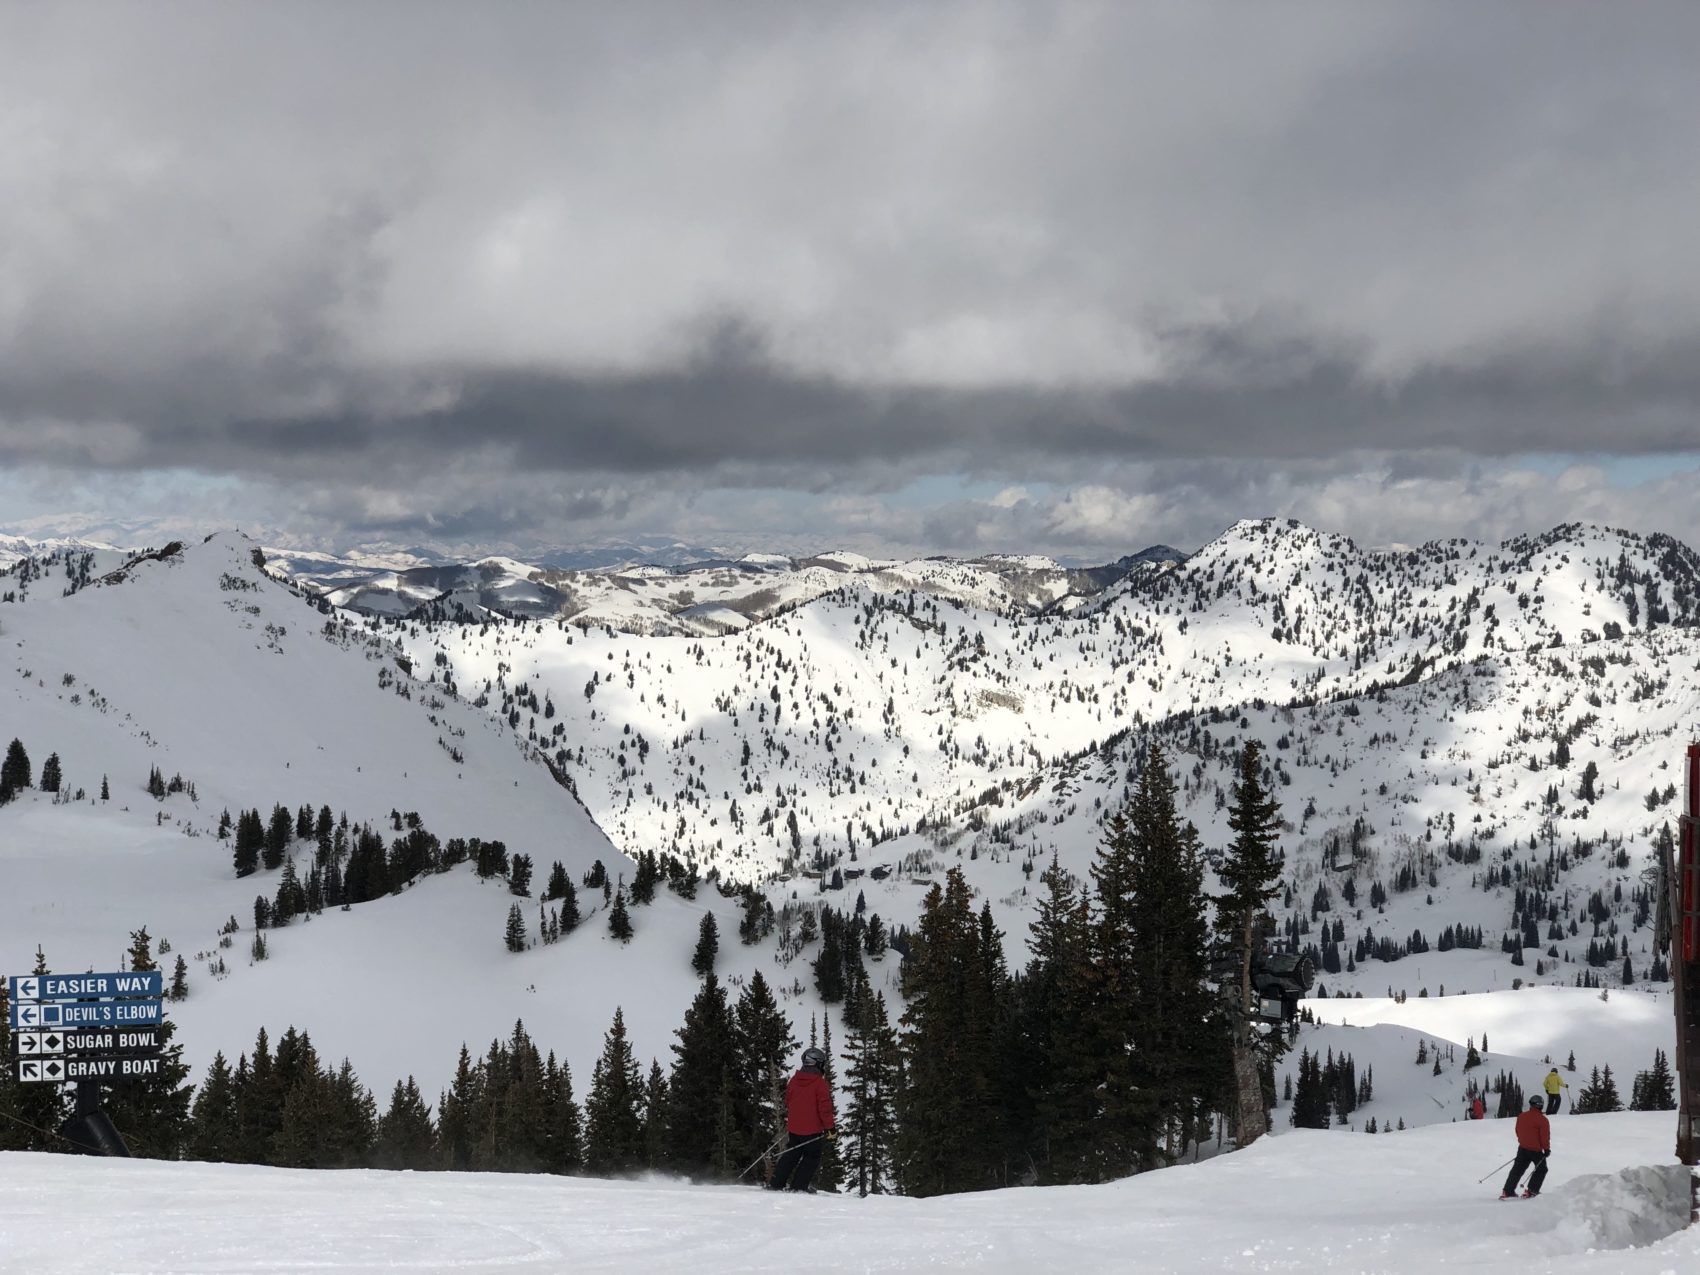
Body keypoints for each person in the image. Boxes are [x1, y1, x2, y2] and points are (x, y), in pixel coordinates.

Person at [768, 1046, 835, 1193]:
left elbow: (788, 1100)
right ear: (817, 1063)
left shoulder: (794, 1080)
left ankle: (776, 1183)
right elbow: (825, 1109)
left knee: (791, 1153)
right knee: (811, 1157)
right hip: (813, 1130)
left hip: (794, 1128)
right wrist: (830, 1128)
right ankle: (798, 1187)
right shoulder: (820, 1084)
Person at [1501, 1095, 1551, 1199]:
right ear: (1540, 1105)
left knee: (1517, 1169)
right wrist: (1546, 1149)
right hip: (1536, 1150)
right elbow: (1544, 1136)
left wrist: (1523, 1141)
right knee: (1541, 1169)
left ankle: (1508, 1191)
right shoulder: (1542, 1120)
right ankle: (1532, 1191)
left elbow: (1517, 1131)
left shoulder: (1522, 1116)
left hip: (1522, 1148)